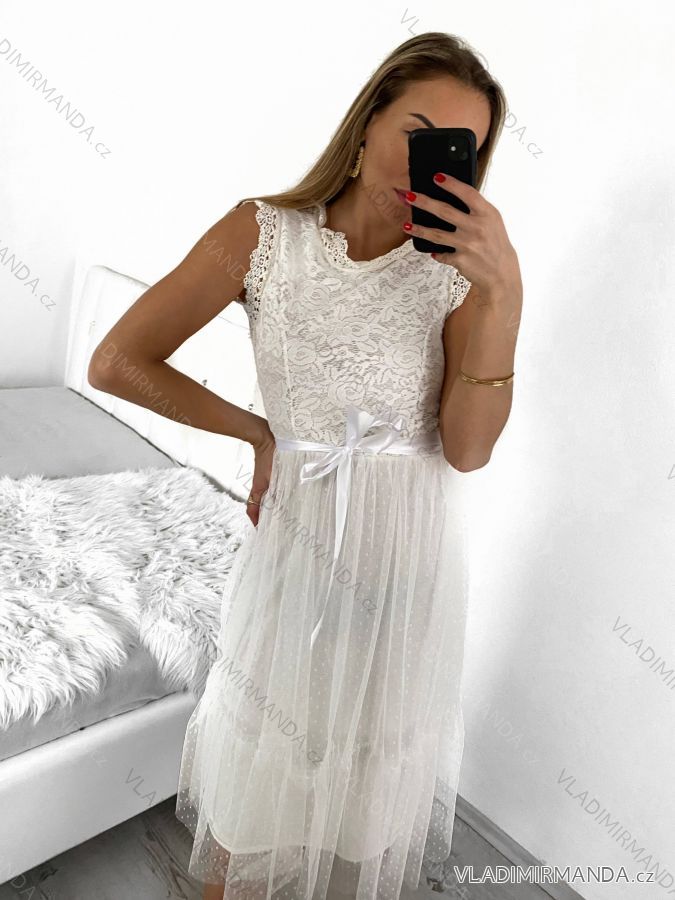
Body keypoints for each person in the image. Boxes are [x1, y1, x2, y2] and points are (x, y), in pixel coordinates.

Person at [88, 30, 522, 900]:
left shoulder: (459, 279)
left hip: (406, 558)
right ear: (365, 126)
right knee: (264, 753)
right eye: (418, 132)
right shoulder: (263, 235)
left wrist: (502, 293)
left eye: (459, 149)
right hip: (301, 534)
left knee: (369, 772)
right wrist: (258, 433)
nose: (430, 162)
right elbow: (119, 361)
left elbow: (468, 450)